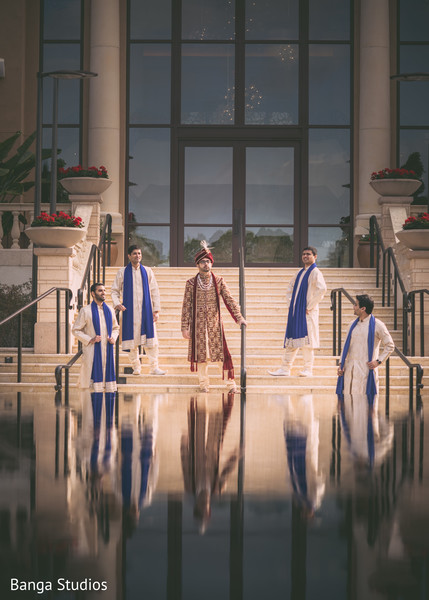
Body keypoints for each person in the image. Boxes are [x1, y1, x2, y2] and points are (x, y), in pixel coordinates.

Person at [181, 241, 246, 392]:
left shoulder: (219, 281)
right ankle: (204, 385)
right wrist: (185, 327)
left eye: (208, 261)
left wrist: (239, 318)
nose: (206, 264)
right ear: (197, 264)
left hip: (215, 325)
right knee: (201, 357)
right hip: (197, 326)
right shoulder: (191, 283)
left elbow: (230, 300)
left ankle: (231, 385)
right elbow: (186, 306)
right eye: (202, 262)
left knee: (221, 355)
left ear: (212, 263)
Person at [268, 246, 327, 377]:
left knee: (307, 343)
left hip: (307, 313)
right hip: (296, 313)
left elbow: (322, 290)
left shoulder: (315, 272)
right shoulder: (300, 273)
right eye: (304, 254)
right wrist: (292, 304)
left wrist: (309, 306)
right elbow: (290, 288)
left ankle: (308, 369)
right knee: (292, 341)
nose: (305, 256)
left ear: (315, 257)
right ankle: (285, 368)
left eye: (308, 254)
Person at [111, 245, 166, 376]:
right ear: (129, 256)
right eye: (135, 253)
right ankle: (136, 367)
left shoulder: (147, 271)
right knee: (132, 342)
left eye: (139, 253)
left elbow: (154, 291)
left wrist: (156, 310)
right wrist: (117, 303)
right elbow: (114, 290)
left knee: (152, 342)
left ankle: (154, 368)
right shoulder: (122, 272)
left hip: (146, 312)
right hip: (130, 312)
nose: (138, 256)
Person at [337, 294, 394, 404]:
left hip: (366, 371)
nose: (353, 307)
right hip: (350, 372)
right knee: (349, 410)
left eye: (356, 305)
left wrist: (378, 361)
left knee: (365, 409)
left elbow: (390, 345)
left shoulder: (378, 325)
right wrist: (341, 365)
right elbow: (345, 347)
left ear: (363, 309)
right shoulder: (351, 325)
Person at [72, 282, 120, 391]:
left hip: (107, 348)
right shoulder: (86, 311)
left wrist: (113, 337)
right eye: (100, 290)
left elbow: (116, 328)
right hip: (92, 350)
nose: (103, 293)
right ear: (93, 294)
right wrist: (90, 339)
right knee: (90, 390)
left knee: (108, 388)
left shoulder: (110, 310)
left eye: (104, 290)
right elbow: (75, 330)